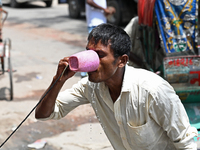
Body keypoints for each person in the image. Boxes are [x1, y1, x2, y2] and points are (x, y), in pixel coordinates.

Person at [35, 23, 198, 150]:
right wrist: (58, 80)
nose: (91, 62)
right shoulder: (90, 87)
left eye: (99, 55)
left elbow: (186, 142)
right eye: (88, 53)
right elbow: (43, 114)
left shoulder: (152, 89)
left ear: (122, 61)